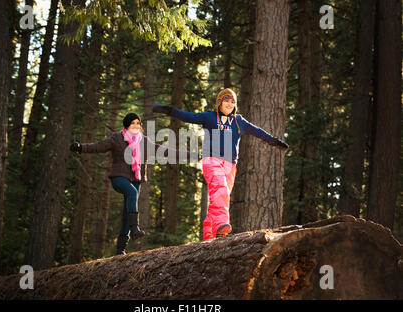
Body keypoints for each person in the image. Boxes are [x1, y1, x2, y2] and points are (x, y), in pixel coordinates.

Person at [153, 88, 288, 240]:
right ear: (219, 102)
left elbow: (258, 132)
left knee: (218, 198)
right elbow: (188, 116)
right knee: (220, 190)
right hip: (211, 161)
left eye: (232, 102)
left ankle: (209, 235)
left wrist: (274, 141)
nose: (229, 104)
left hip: (230, 165)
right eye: (226, 100)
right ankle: (221, 224)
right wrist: (170, 110)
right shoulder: (209, 117)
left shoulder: (238, 121)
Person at [70, 112, 191, 255]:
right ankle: (135, 229)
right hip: (119, 177)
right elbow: (99, 146)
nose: (136, 125)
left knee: (128, 212)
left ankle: (120, 249)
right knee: (132, 192)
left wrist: (188, 154)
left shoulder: (144, 141)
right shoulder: (117, 138)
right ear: (127, 125)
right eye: (133, 123)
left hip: (136, 179)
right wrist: (81, 147)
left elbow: (164, 151)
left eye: (138, 123)